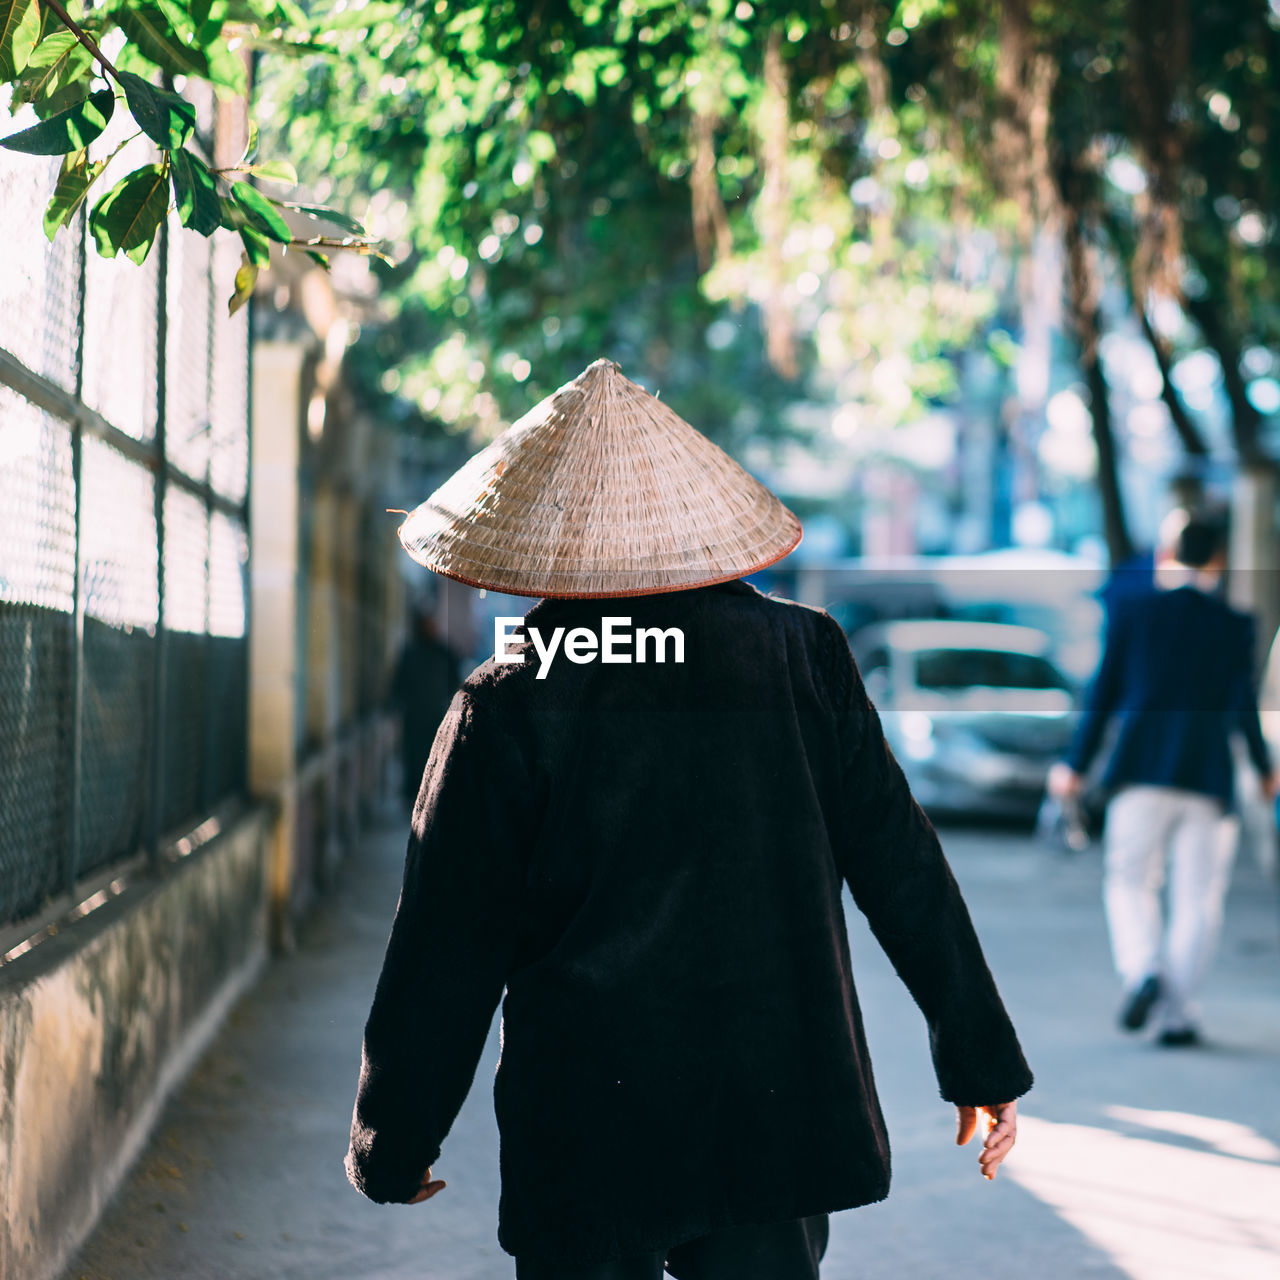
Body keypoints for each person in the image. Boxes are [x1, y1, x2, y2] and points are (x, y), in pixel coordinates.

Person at [345, 359, 1033, 1279]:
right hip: (775, 1104)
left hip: (589, 1120)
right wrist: (979, 1059)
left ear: (545, 541)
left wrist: (396, 1136)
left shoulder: (508, 700)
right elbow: (900, 865)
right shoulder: (804, 659)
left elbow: (446, 941)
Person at [1050, 513, 1277, 1046]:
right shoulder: (1234, 623)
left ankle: (1142, 970)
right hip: (1208, 777)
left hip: (1141, 771)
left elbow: (1104, 692)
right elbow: (1243, 707)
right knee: (1198, 899)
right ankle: (1178, 1016)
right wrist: (1266, 771)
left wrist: (1075, 766)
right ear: (1219, 559)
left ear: (1168, 553)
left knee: (1129, 880)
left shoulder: (1135, 610)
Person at [389, 600, 462, 812]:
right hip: (414, 720)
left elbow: (455, 680)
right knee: (414, 761)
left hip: (436, 718)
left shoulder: (443, 653)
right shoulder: (410, 654)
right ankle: (415, 801)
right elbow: (398, 685)